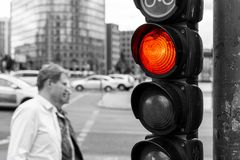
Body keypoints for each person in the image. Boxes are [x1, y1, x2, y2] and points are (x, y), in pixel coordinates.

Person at [7, 63, 84, 160]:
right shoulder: (30, 110)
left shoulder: (54, 113)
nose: (68, 90)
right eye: (64, 84)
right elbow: (16, 155)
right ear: (49, 83)